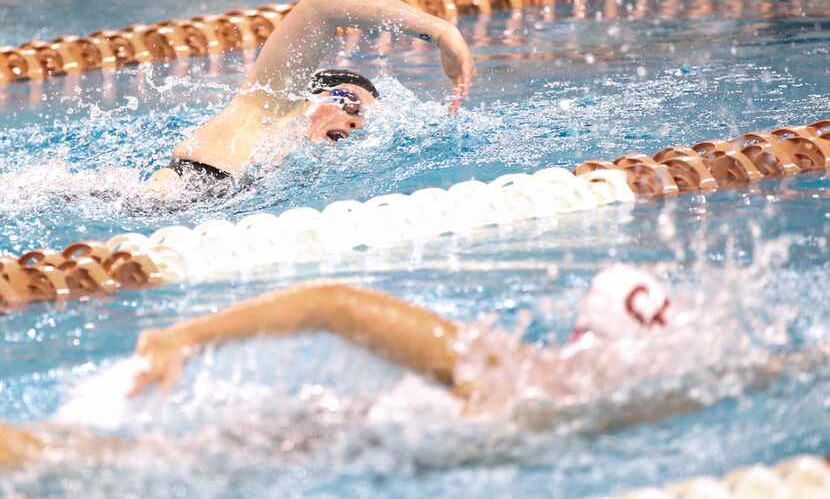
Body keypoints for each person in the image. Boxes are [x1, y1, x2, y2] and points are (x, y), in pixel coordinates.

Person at [2, 266, 825, 470]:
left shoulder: (607, 395)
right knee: (98, 462)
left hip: (361, 441)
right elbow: (335, 303)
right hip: (335, 436)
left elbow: (747, 372)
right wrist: (184, 337)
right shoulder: (511, 371)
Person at [144, 0, 475, 193]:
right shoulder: (264, 108)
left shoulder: (298, 175)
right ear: (304, 96)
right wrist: (442, 32)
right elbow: (324, 1)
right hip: (148, 205)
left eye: (362, 121)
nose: (355, 121)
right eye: (348, 101)